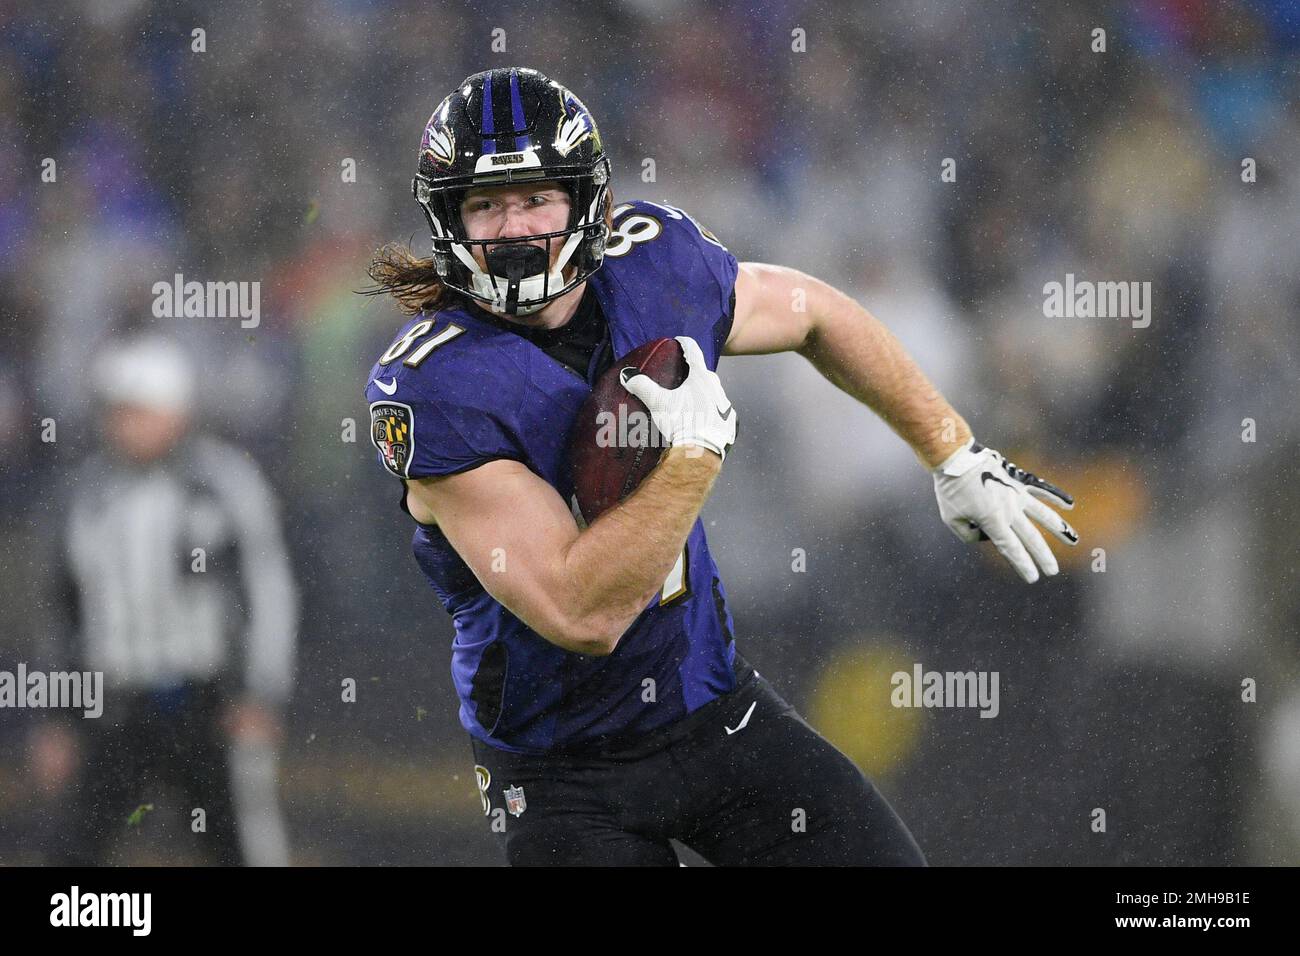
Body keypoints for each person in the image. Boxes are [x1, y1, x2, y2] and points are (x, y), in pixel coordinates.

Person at [363, 67, 1078, 866]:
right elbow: (582, 614)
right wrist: (691, 457)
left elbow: (812, 312)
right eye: (485, 205)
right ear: (447, 219)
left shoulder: (652, 264)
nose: (515, 227)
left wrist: (953, 452)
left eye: (535, 197)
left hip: (710, 707)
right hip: (561, 772)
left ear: (587, 201)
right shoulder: (435, 386)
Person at [31, 333, 298, 866]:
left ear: (174, 409)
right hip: (113, 706)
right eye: (117, 410)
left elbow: (267, 593)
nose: (123, 423)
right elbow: (61, 612)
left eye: (137, 408)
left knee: (241, 845)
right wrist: (55, 717)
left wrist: (258, 691)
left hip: (204, 702)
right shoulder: (86, 495)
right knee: (71, 854)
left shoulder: (222, 483)